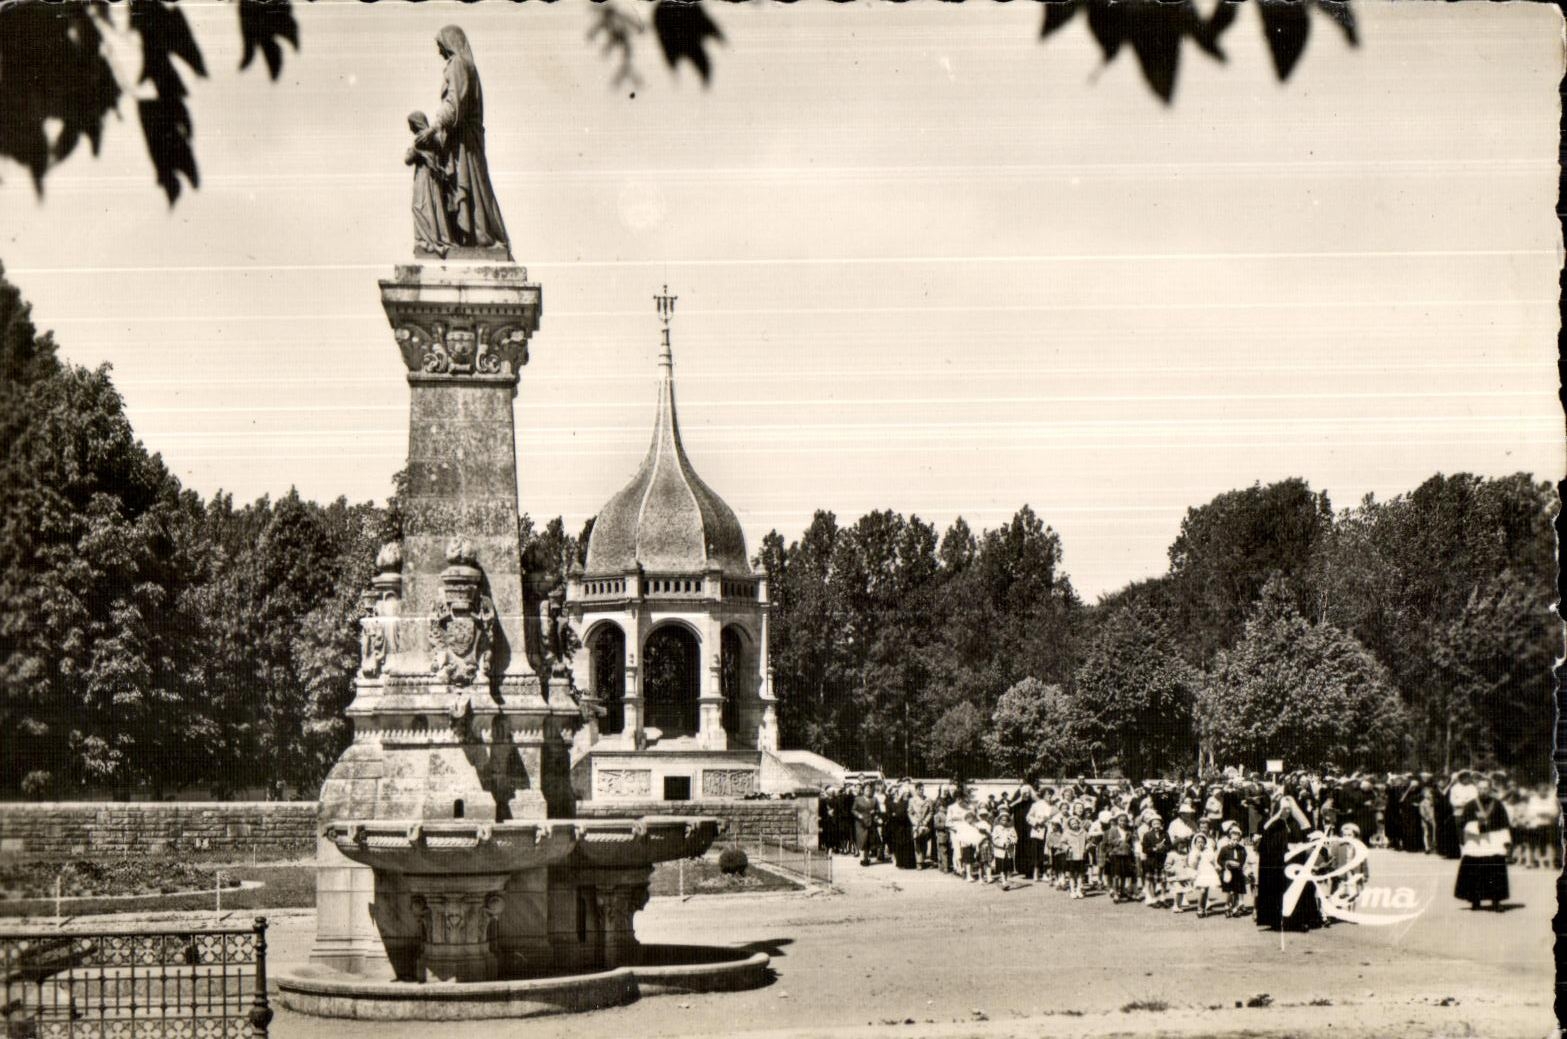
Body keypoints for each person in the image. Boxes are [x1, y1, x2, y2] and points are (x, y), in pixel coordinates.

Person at [416, 26, 510, 252]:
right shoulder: (466, 66)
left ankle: (481, 236)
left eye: (441, 47)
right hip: (461, 140)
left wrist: (433, 128)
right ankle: (474, 236)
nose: (440, 52)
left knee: (471, 187)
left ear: (449, 44)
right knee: (473, 188)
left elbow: (454, 104)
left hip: (463, 143)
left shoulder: (458, 64)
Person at [1256, 788, 1312, 931]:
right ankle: (1276, 920)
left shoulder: (1295, 824)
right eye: (1283, 808)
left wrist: (1297, 846)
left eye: (1288, 808)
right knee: (1277, 892)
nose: (1286, 811)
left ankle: (1296, 921)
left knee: (1295, 891)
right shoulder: (1273, 824)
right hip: (1277, 865)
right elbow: (1266, 837)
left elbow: (1304, 838)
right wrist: (1276, 817)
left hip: (1293, 863)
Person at [1455, 776, 1511, 911]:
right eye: (1480, 788)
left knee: (1495, 872)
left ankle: (1496, 901)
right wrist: (1475, 825)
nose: (1483, 791)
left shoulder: (1497, 804)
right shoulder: (1470, 805)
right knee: (1474, 871)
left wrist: (1506, 842)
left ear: (1490, 789)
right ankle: (1475, 900)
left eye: (1485, 788)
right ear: (1477, 789)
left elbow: (1504, 823)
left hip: (1493, 842)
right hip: (1476, 843)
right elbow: (1462, 823)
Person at [404, 111, 455, 256]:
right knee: (434, 206)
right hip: (435, 178)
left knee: (420, 207)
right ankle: (436, 238)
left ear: (416, 123)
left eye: (411, 125)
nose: (410, 129)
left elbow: (407, 159)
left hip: (424, 177)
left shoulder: (421, 139)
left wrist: (413, 151)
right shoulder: (436, 139)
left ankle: (427, 240)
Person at [1216, 822, 1249, 917]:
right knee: (1229, 892)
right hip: (1228, 873)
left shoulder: (1241, 849)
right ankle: (1227, 906)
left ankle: (1235, 909)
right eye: (1233, 839)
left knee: (1236, 891)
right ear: (1230, 837)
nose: (1235, 841)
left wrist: (1239, 864)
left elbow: (1243, 859)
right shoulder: (1224, 849)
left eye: (1237, 840)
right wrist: (1227, 863)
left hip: (1237, 873)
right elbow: (1219, 860)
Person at [1140, 816, 1171, 907]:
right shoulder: (1147, 835)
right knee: (1152, 880)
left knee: (1163, 880)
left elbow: (1170, 845)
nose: (1156, 826)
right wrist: (1154, 849)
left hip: (1162, 860)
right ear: (1151, 825)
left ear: (1161, 824)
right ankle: (1153, 899)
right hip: (1151, 861)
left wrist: (1163, 848)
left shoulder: (1165, 834)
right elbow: (1144, 849)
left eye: (1158, 823)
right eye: (1154, 824)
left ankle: (1163, 897)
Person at [908, 783, 935, 868]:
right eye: (919, 789)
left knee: (924, 841)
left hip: (925, 823)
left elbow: (931, 812)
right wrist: (915, 822)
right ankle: (918, 862)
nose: (921, 791)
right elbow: (910, 812)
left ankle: (922, 859)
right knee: (917, 841)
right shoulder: (912, 800)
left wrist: (926, 821)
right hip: (916, 823)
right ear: (916, 790)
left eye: (922, 789)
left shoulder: (928, 800)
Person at [851, 783, 877, 867]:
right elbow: (853, 810)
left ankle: (865, 859)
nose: (868, 791)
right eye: (866, 789)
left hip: (870, 822)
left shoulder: (874, 799)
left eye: (869, 789)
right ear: (863, 791)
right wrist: (859, 815)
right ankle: (863, 858)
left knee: (868, 841)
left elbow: (877, 810)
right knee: (863, 840)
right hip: (861, 823)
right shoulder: (858, 799)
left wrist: (875, 813)